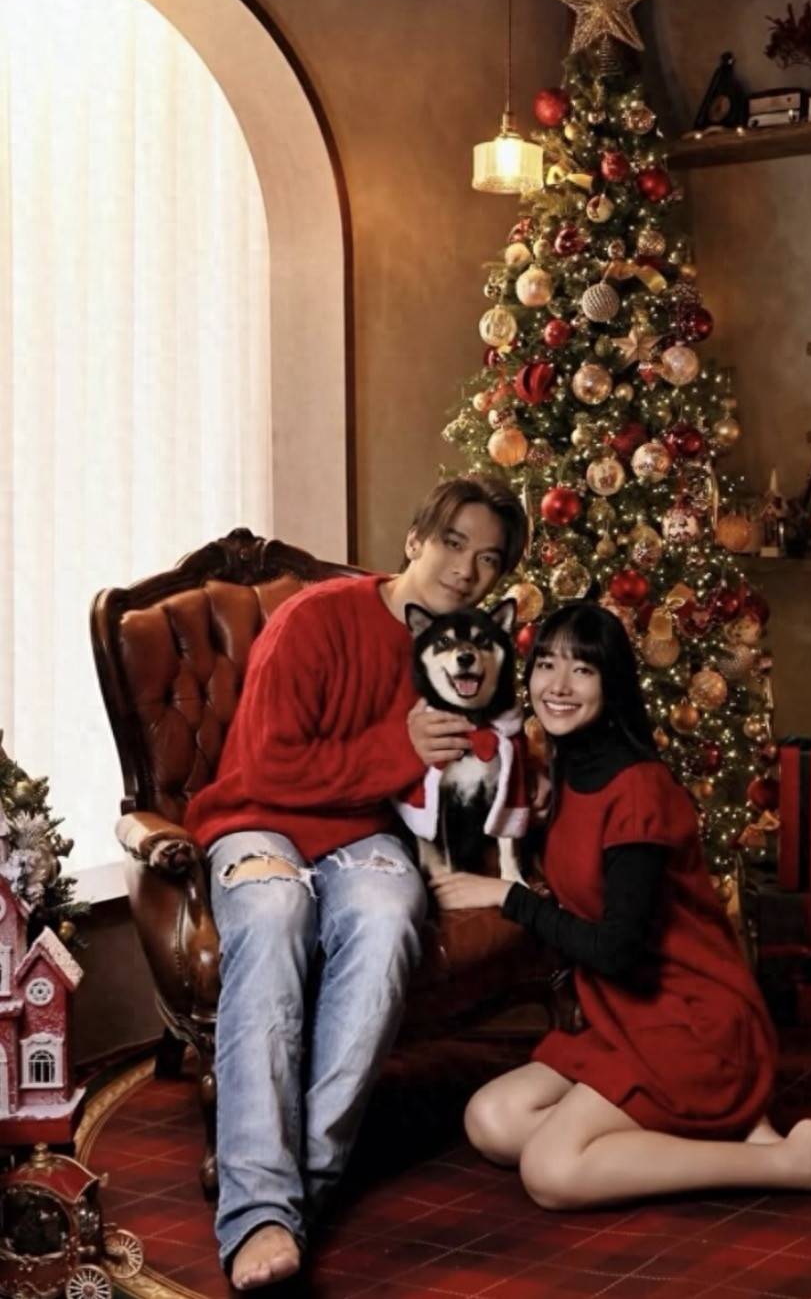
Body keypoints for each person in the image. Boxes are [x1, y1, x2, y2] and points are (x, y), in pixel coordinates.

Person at [432, 602, 811, 1212]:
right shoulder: (561, 769)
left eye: (583, 670)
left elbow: (617, 951)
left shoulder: (638, 791)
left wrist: (510, 899)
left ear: (611, 685)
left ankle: (797, 1162)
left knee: (550, 1173)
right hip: (622, 1019)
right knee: (492, 1120)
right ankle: (725, 1130)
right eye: (546, 664)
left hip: (691, 1022)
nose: (558, 685)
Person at [181, 475, 529, 1290]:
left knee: (387, 917)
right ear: (415, 540)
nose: (465, 571)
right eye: (452, 544)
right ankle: (257, 1213)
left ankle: (303, 1183)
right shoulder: (316, 617)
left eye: (488, 560)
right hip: (258, 817)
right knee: (273, 916)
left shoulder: (465, 655)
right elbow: (268, 767)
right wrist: (399, 746)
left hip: (362, 836)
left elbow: (482, 763)